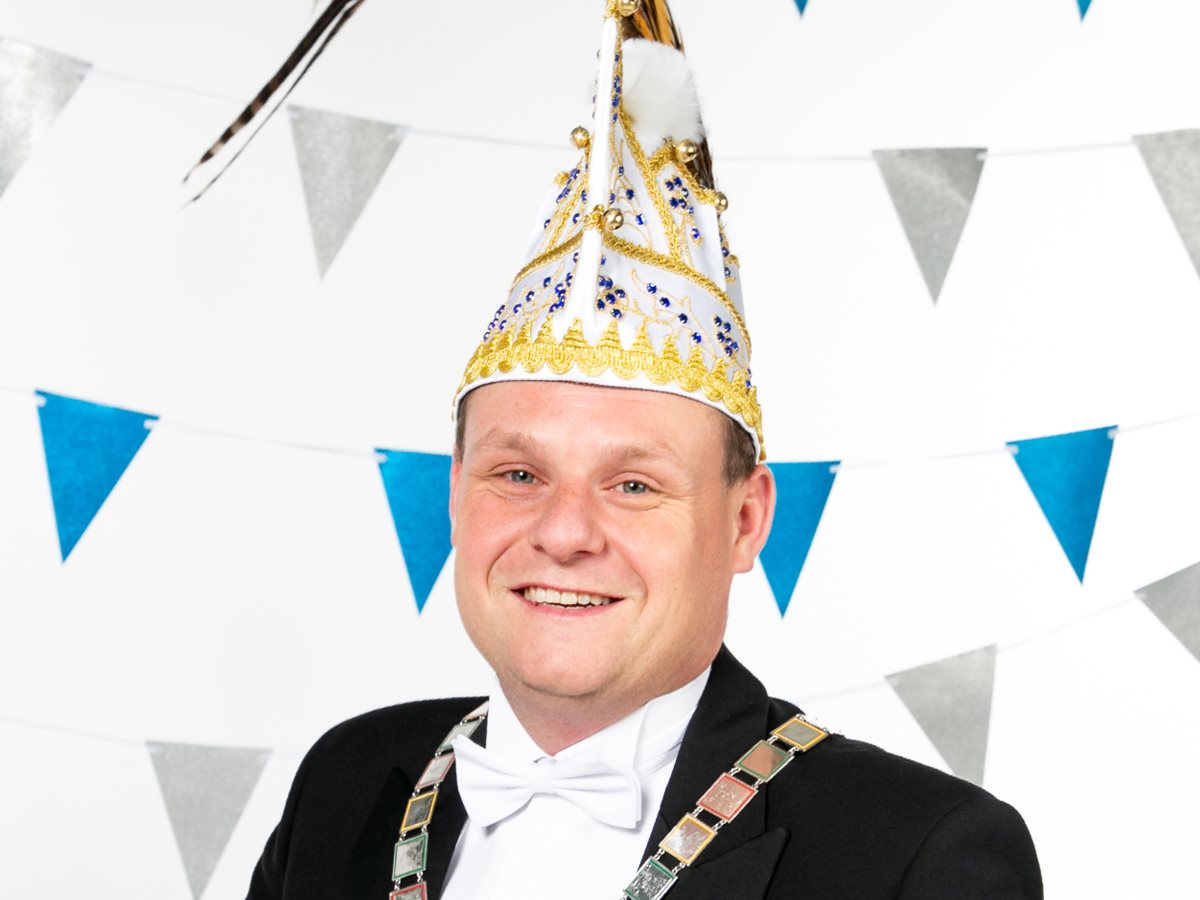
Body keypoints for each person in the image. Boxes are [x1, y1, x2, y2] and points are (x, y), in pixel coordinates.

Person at [242, 1, 1043, 897]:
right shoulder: (347, 782)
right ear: (456, 494)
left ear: (745, 521)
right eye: (518, 474)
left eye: (632, 485)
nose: (564, 533)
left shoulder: (918, 853)